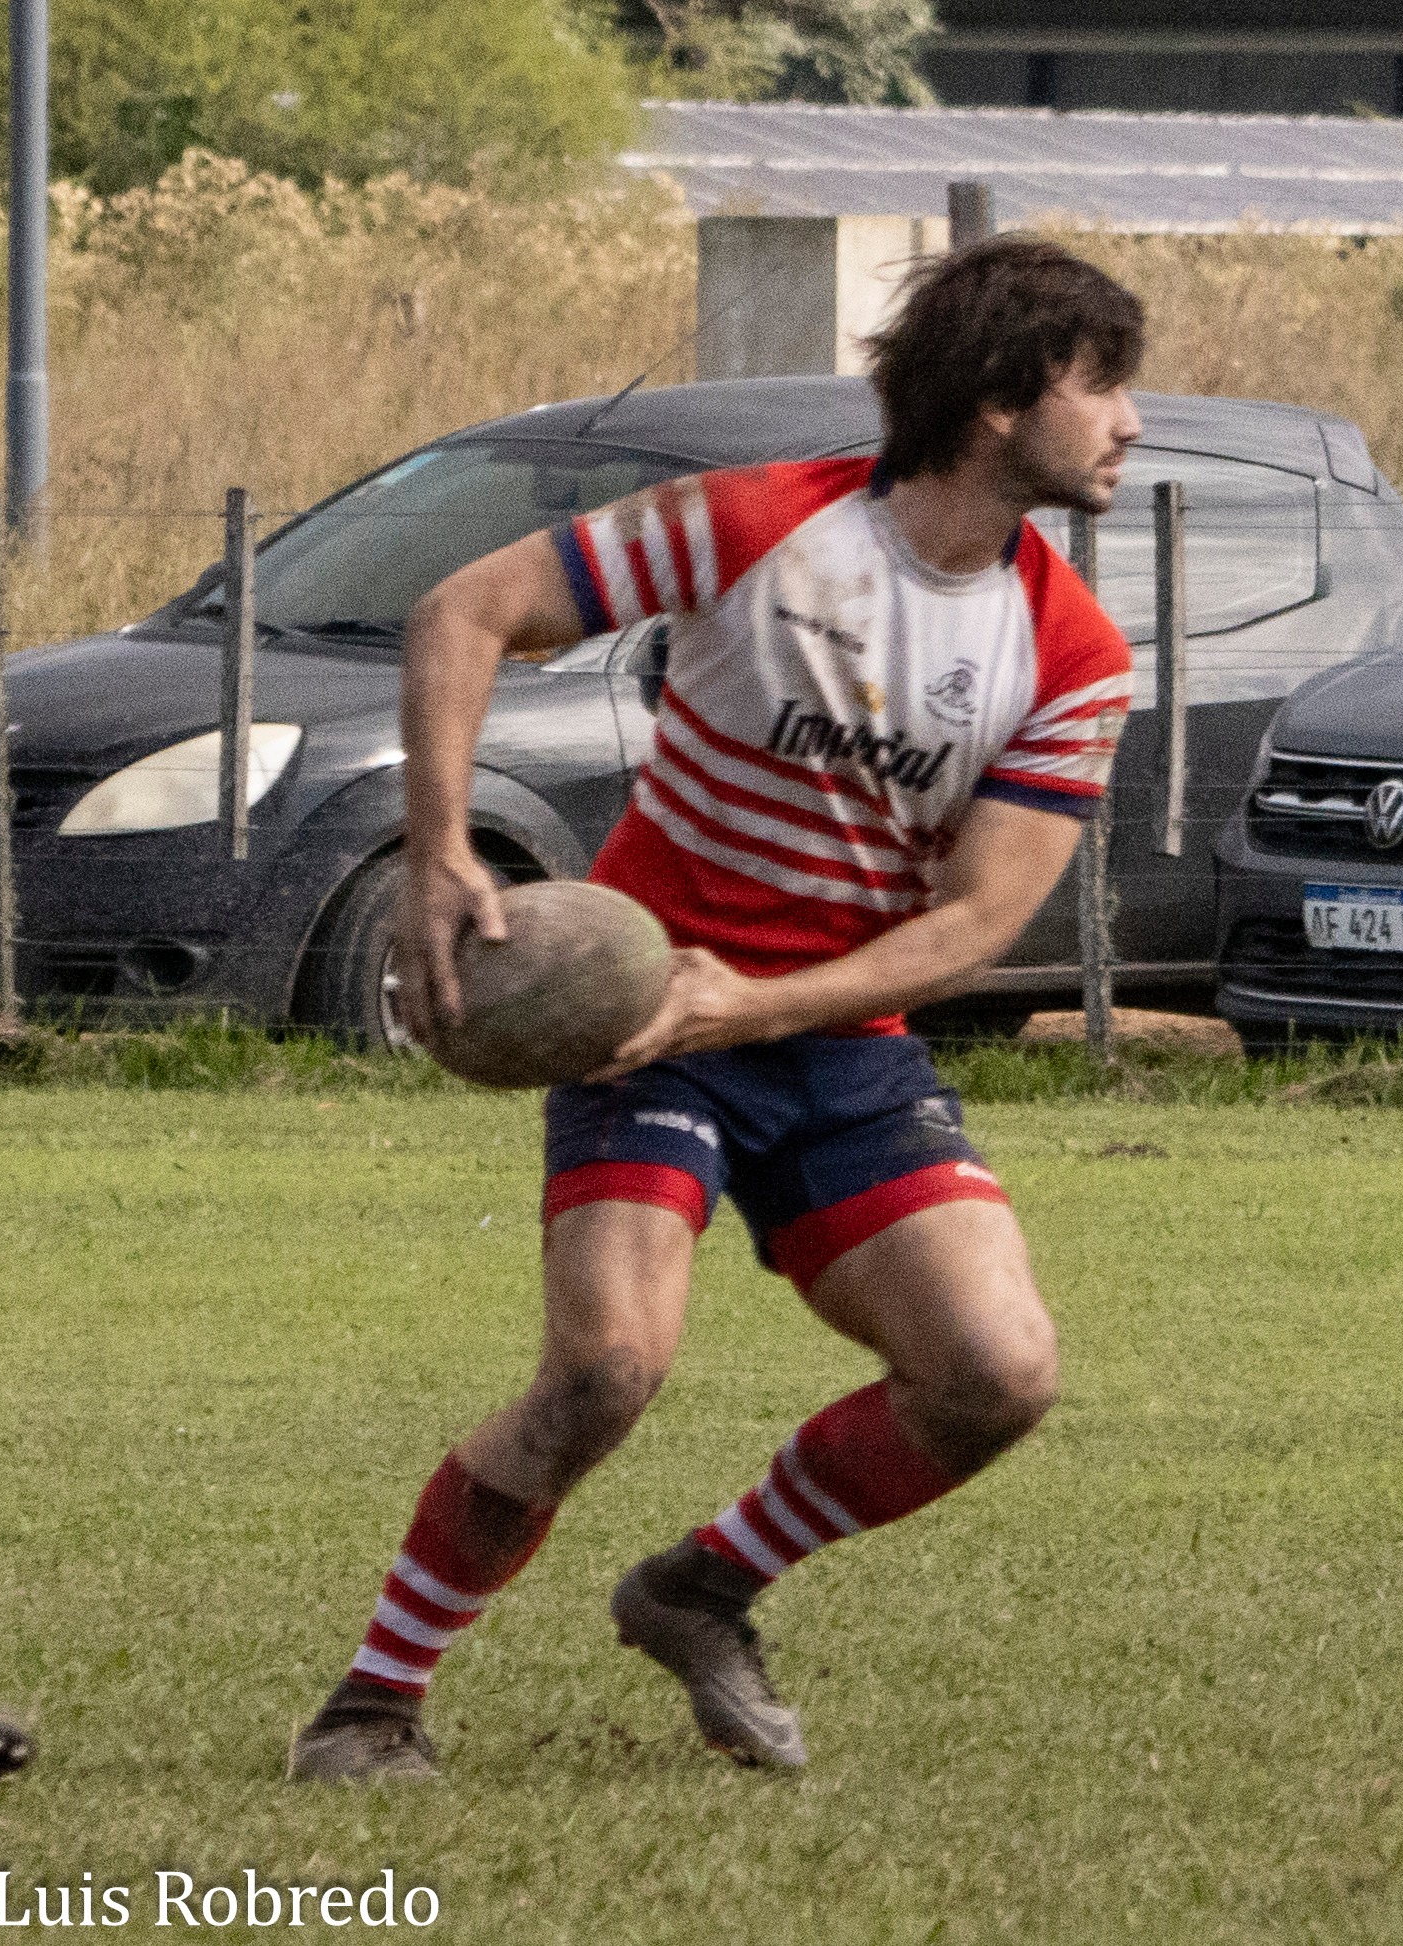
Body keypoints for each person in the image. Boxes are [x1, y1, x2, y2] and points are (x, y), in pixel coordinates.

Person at [289, 235, 1143, 1781]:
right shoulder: (759, 526)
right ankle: (372, 1697)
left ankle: (701, 1585)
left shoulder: (1071, 655)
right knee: (606, 1369)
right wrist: (431, 859)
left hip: (826, 1037)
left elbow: (969, 929)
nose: (1128, 422)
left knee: (996, 1373)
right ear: (1002, 401)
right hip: (635, 1014)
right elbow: (462, 612)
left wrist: (751, 1003)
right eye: (1103, 385)